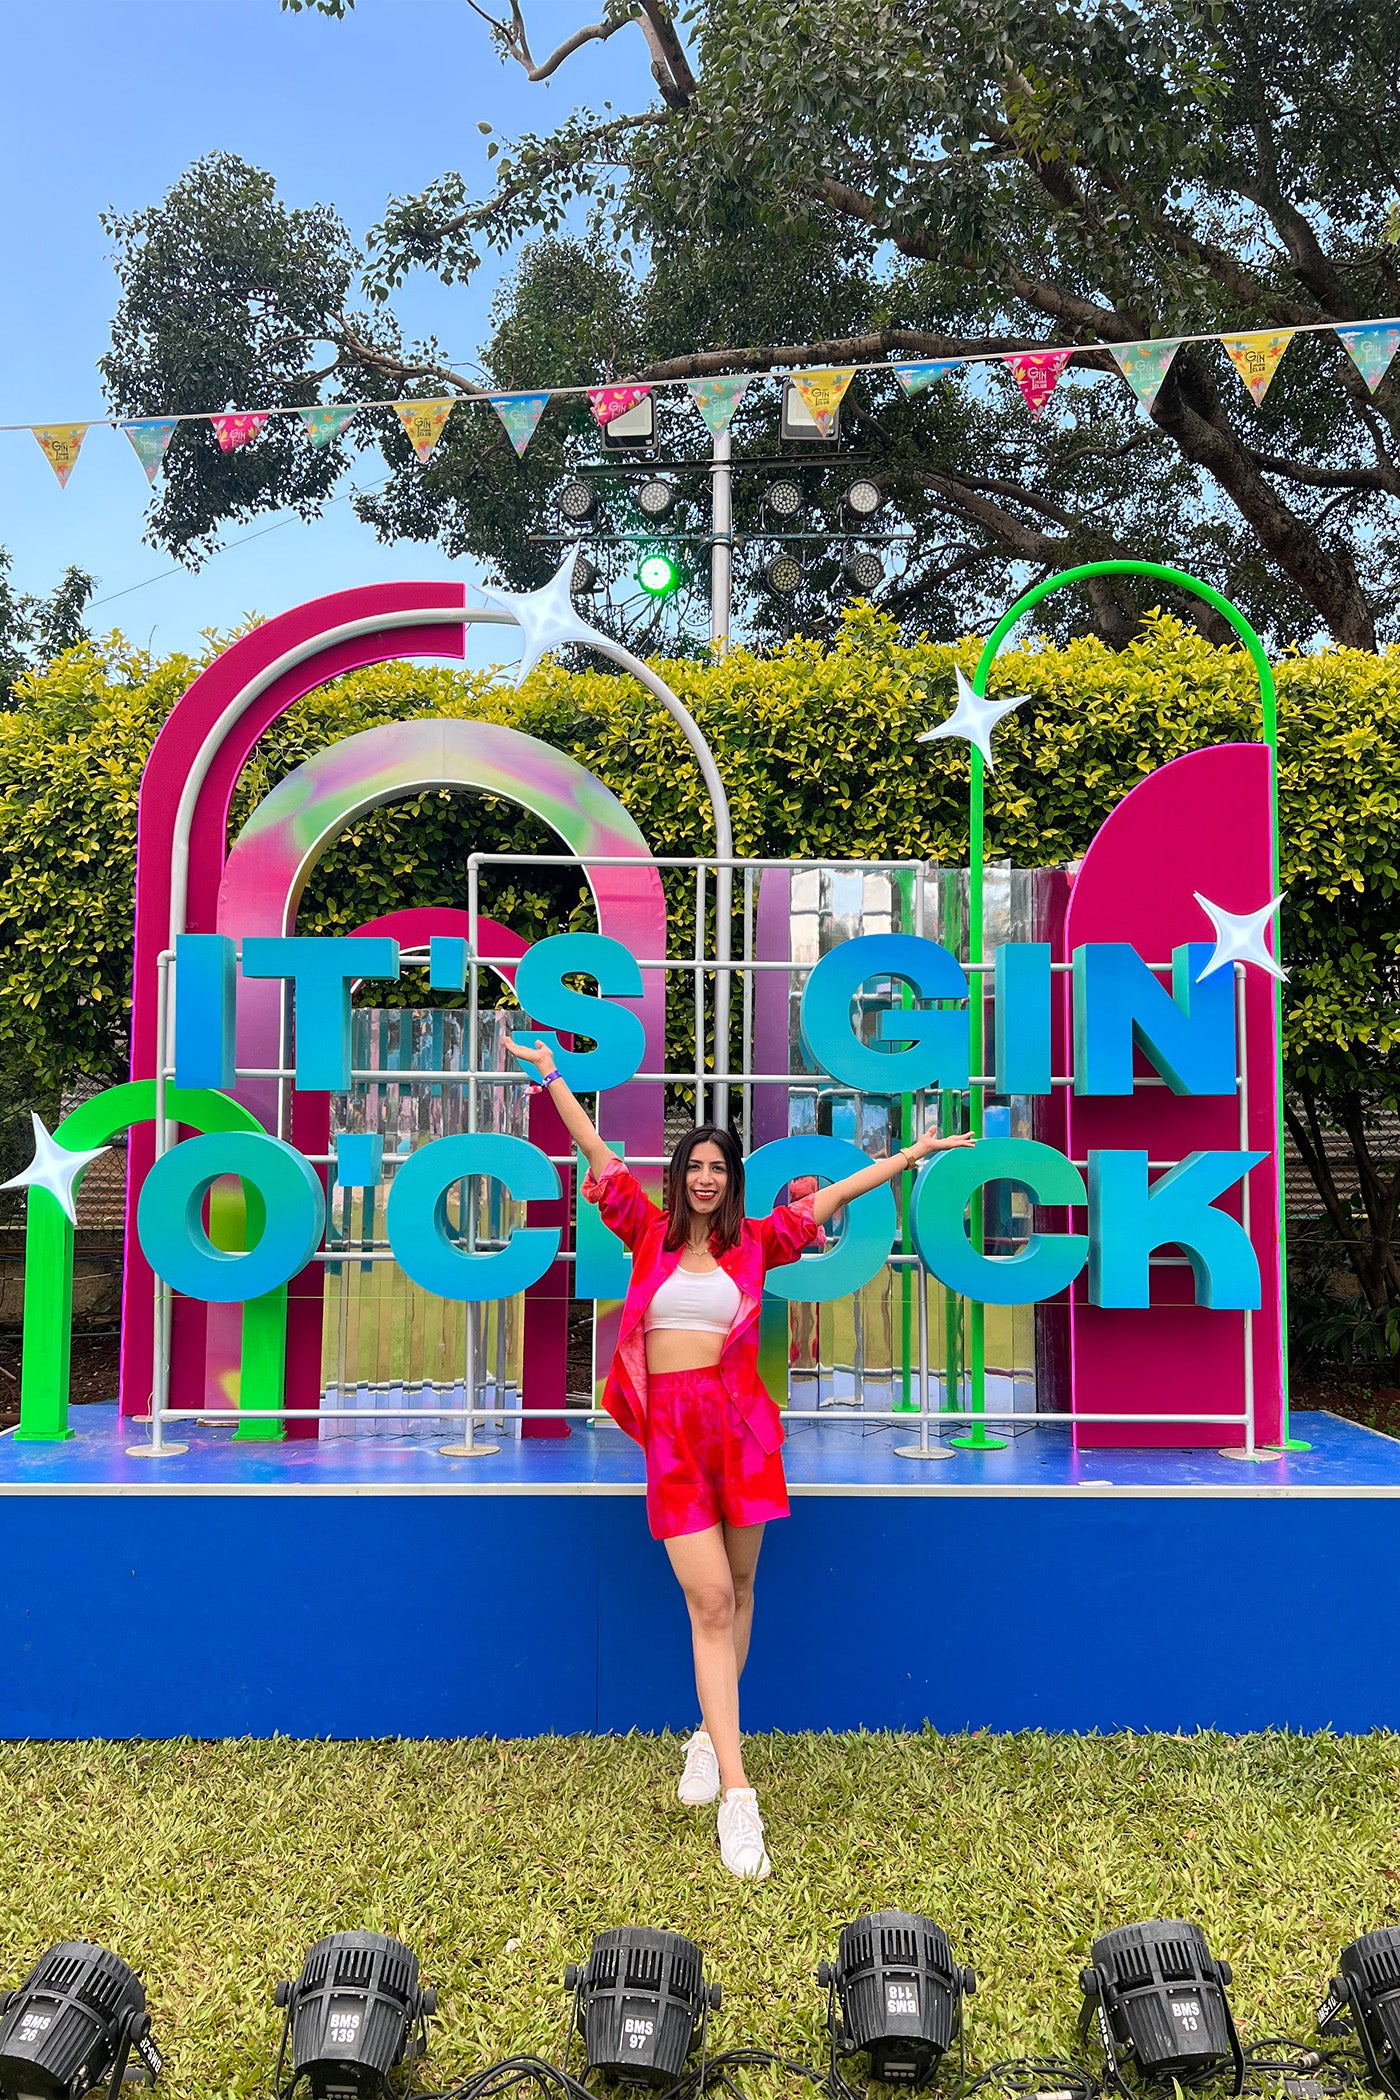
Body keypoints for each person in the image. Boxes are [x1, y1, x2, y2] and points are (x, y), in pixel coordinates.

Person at [507, 1034, 975, 1881]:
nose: (705, 1177)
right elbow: (598, 1154)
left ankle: (705, 1737)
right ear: (679, 1175)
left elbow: (831, 1198)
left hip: (742, 1430)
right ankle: (737, 1793)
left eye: (718, 1168)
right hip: (674, 1438)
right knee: (712, 1599)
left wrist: (909, 1156)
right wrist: (554, 1078)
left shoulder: (756, 1243)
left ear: (731, 1182)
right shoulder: (646, 1232)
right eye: (695, 1166)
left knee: (743, 1589)